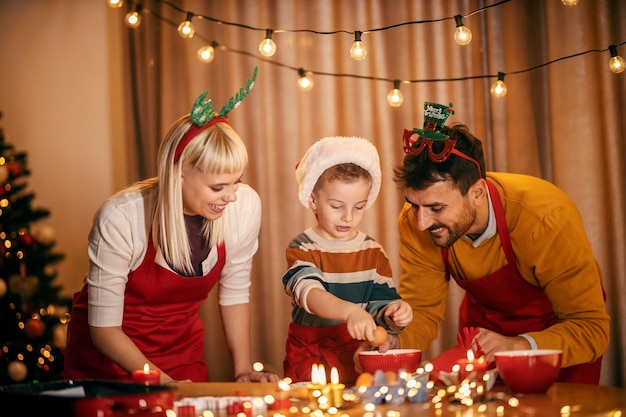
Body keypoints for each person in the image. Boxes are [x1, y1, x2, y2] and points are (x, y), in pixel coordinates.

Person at [64, 67, 279, 384]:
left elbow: (234, 293)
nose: (232, 196)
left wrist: (243, 370)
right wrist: (163, 383)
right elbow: (104, 330)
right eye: (218, 187)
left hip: (181, 356)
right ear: (177, 177)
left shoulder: (244, 206)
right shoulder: (121, 218)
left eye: (237, 182)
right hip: (110, 364)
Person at [386, 101, 610, 384]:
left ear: (477, 192)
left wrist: (519, 346)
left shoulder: (545, 218)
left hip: (561, 338)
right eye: (414, 205)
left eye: (436, 208)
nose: (421, 223)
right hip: (486, 335)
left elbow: (591, 328)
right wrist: (396, 341)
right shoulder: (416, 220)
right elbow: (422, 309)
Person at [282, 136, 413, 383]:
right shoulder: (302, 247)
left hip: (357, 354)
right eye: (336, 206)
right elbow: (310, 294)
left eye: (359, 206)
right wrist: (351, 312)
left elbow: (380, 306)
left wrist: (395, 312)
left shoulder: (372, 251)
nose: (348, 217)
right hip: (311, 360)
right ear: (313, 199)